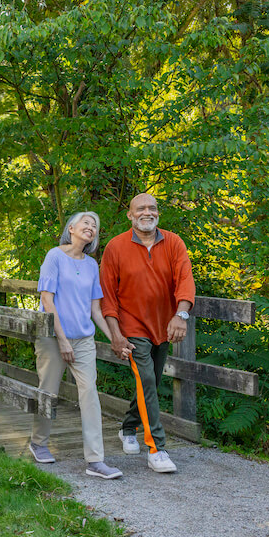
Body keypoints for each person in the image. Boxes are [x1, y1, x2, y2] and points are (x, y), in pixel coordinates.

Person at [100, 194, 195, 473]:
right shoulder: (115, 247)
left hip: (164, 326)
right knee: (147, 379)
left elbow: (185, 280)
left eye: (152, 208)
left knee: (148, 382)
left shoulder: (174, 242)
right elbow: (107, 296)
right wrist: (115, 335)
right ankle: (157, 448)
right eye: (140, 208)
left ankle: (128, 427)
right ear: (130, 215)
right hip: (132, 328)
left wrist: (181, 314)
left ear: (158, 213)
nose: (147, 212)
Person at [29, 211, 123, 480]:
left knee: (89, 393)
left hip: (83, 339)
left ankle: (95, 460)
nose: (91, 227)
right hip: (51, 337)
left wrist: (113, 337)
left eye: (95, 225)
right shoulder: (54, 256)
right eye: (86, 223)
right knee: (48, 390)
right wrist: (61, 339)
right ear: (71, 228)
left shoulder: (92, 265)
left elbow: (95, 309)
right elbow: (48, 301)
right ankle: (38, 442)